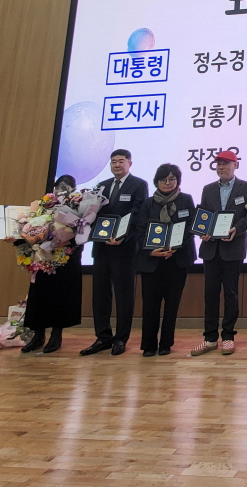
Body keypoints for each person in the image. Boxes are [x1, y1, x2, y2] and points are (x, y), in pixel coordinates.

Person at [82, 149, 148, 357]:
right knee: (100, 294)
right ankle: (102, 337)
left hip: (124, 248)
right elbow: (93, 214)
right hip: (101, 248)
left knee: (123, 295)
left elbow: (138, 215)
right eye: (113, 162)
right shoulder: (101, 186)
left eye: (121, 161)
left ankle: (121, 338)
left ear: (130, 163)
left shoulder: (139, 185)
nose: (117, 165)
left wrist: (122, 236)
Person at [191, 150, 247, 356]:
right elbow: (204, 216)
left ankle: (228, 336)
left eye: (226, 163)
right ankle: (210, 338)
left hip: (233, 248)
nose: (221, 167)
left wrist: (237, 229)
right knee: (210, 294)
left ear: (236, 165)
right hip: (211, 249)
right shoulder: (208, 189)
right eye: (218, 164)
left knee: (231, 293)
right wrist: (202, 231)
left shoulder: (246, 188)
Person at [135, 164, 196, 357]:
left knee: (172, 305)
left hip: (177, 261)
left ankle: (166, 344)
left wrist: (175, 247)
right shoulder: (148, 203)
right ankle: (149, 345)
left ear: (178, 181)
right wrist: (151, 251)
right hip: (152, 262)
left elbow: (191, 227)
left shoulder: (186, 200)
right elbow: (140, 231)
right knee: (150, 305)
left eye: (172, 179)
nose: (168, 183)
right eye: (163, 179)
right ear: (157, 182)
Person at [18, 174, 83, 354]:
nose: (61, 191)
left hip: (65, 260)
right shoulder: (42, 207)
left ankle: (56, 335)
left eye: (66, 188)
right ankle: (37, 335)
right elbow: (31, 227)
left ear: (73, 190)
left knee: (59, 298)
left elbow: (82, 232)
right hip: (42, 258)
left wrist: (64, 242)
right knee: (39, 297)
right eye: (58, 188)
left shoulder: (78, 206)